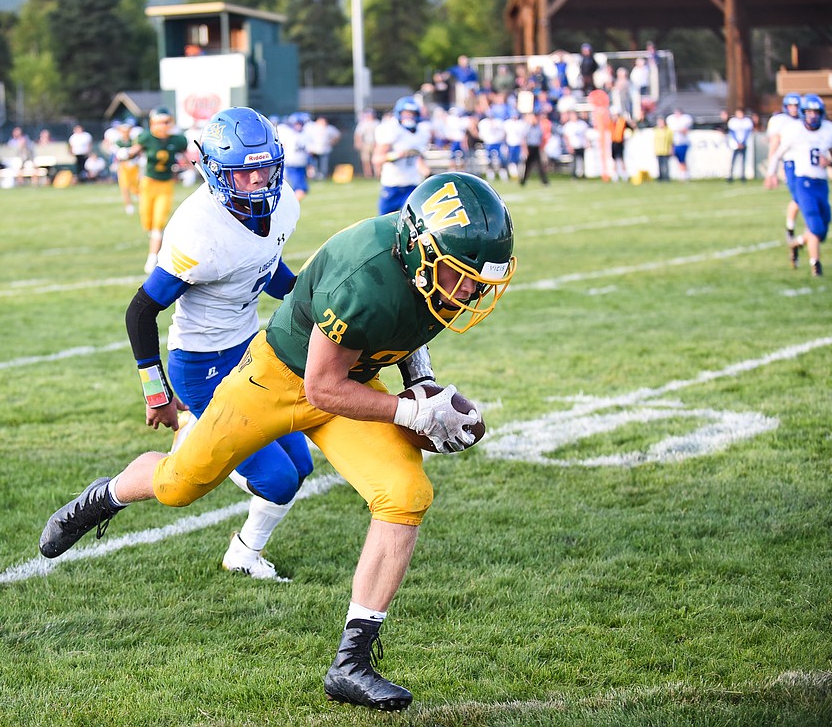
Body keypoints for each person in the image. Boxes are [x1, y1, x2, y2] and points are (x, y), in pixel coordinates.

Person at [39, 170, 516, 711]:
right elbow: (321, 387)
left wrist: (420, 382)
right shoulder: (365, 280)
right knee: (178, 486)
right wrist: (417, 413)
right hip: (280, 378)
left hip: (350, 380)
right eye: (461, 275)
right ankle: (103, 497)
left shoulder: (431, 268)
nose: (472, 290)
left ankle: (351, 662)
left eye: (478, 279)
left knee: (405, 495)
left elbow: (406, 331)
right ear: (417, 249)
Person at [120, 107, 313, 581]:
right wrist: (156, 391)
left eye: (263, 169)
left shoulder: (284, 201)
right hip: (201, 365)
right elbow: (141, 311)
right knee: (277, 479)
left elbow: (264, 268)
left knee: (301, 463)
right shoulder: (197, 230)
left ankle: (244, 551)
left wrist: (312, 299)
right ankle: (195, 437)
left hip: (251, 351)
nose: (256, 182)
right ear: (213, 172)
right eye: (242, 173)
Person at [765, 93, 832, 277]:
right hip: (803, 181)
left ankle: (797, 242)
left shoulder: (829, 132)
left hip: (821, 183)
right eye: (808, 112)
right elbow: (777, 153)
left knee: (822, 230)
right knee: (814, 225)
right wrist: (771, 174)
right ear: (803, 113)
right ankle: (816, 266)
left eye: (816, 112)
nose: (812, 116)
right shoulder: (794, 130)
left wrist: (830, 162)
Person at [130, 107, 190, 273]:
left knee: (158, 224)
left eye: (166, 122)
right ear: (152, 123)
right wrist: (126, 154)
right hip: (148, 184)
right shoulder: (146, 138)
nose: (163, 126)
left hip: (166, 184)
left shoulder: (177, 140)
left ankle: (153, 257)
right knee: (147, 222)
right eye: (160, 122)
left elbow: (188, 157)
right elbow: (133, 151)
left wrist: (193, 168)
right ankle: (155, 242)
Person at [765, 93, 805, 266]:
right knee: (799, 199)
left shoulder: (806, 120)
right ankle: (793, 233)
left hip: (806, 164)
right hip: (791, 164)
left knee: (800, 200)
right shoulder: (780, 121)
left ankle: (791, 230)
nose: (794, 109)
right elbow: (774, 145)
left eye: (796, 106)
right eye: (791, 106)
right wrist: (771, 172)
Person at [373, 97, 431, 215]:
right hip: (392, 185)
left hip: (412, 185)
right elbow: (376, 159)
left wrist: (427, 173)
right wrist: (397, 155)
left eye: (412, 113)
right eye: (406, 113)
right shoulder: (392, 130)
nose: (409, 116)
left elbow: (418, 159)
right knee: (385, 225)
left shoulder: (421, 133)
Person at [277, 113, 311, 200]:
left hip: (301, 164)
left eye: (300, 124)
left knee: (302, 188)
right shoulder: (288, 134)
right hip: (291, 164)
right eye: (296, 124)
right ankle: (292, 205)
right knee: (300, 188)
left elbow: (308, 151)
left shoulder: (305, 135)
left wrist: (310, 165)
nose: (298, 126)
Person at [110, 121, 140, 213]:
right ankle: (128, 205)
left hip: (134, 166)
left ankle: (140, 200)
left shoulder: (134, 141)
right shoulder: (118, 142)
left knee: (136, 185)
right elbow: (117, 155)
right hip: (123, 166)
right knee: (124, 186)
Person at [519, 112, 549, 186]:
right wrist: (525, 149)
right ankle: (523, 181)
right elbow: (524, 139)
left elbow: (541, 137)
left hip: (536, 147)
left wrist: (542, 146)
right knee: (527, 165)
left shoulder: (538, 127)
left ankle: (544, 181)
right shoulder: (528, 127)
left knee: (540, 165)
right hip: (530, 147)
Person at [306, 116, 341, 181]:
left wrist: (333, 142)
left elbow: (337, 135)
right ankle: (315, 178)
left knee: (324, 166)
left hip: (325, 150)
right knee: (314, 166)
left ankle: (323, 177)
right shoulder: (312, 128)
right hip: (314, 150)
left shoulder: (329, 129)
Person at [726, 108, 754, 182]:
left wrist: (742, 142)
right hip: (735, 144)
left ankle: (743, 175)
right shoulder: (733, 121)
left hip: (744, 143)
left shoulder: (747, 121)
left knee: (743, 160)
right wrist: (737, 142)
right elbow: (732, 133)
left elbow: (747, 133)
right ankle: (730, 175)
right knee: (732, 160)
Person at [666, 108, 693, 179]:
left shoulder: (685, 120)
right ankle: (682, 175)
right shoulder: (671, 120)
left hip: (682, 143)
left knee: (682, 160)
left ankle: (684, 176)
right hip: (675, 144)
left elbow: (685, 131)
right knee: (678, 161)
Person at [353, 109, 378, 179]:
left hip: (375, 143)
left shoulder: (377, 123)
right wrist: (358, 143)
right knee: (366, 160)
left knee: (376, 160)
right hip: (366, 143)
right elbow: (358, 134)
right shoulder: (362, 124)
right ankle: (368, 175)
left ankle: (377, 174)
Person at [653, 115, 673, 182]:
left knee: (665, 165)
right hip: (658, 150)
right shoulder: (656, 130)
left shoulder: (668, 130)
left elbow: (671, 141)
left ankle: (666, 178)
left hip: (665, 150)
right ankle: (660, 177)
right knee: (659, 165)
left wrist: (670, 149)